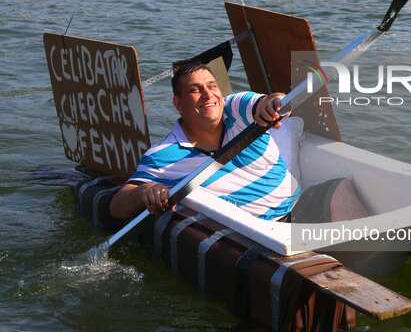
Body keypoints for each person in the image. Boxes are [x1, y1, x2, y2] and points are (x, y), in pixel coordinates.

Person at [109, 63, 300, 221]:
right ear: (178, 103)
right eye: (195, 90)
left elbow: (268, 101)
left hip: (300, 207)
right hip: (264, 234)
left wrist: (274, 102)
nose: (208, 95)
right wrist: (144, 192)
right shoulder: (164, 155)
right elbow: (117, 206)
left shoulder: (237, 108)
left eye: (212, 86)